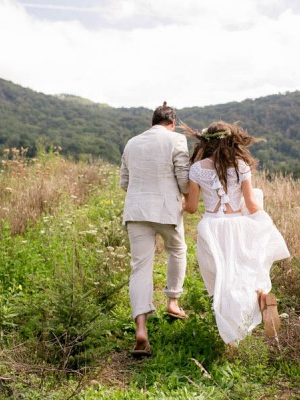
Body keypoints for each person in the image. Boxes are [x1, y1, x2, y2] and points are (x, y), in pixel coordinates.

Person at [182, 121, 290, 345]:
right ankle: (258, 297)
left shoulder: (197, 169)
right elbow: (251, 204)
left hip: (212, 227)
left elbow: (192, 208)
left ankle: (231, 336)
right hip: (239, 226)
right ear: (232, 140)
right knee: (241, 272)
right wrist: (263, 221)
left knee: (221, 278)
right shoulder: (241, 165)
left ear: (206, 143)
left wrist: (180, 203)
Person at [120, 102, 190, 357]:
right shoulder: (177, 140)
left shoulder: (131, 143)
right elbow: (183, 179)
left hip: (136, 210)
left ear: (152, 122)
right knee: (177, 249)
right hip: (166, 210)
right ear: (172, 124)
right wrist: (184, 196)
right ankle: (172, 301)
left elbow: (124, 182)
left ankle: (141, 329)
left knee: (140, 267)